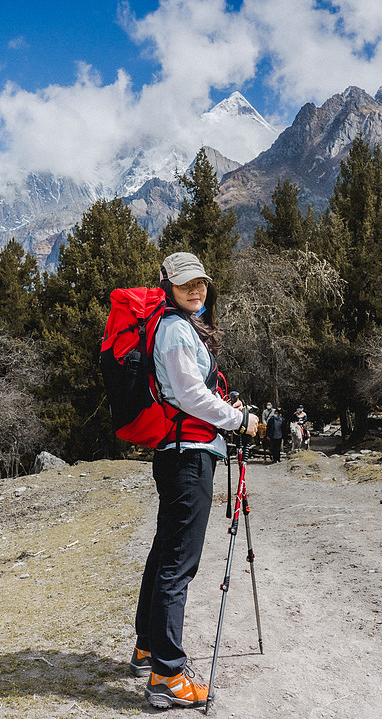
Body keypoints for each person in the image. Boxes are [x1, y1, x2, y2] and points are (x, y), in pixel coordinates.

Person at [130, 252, 259, 709]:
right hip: (188, 457)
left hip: (176, 453)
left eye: (201, 283)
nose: (197, 291)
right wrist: (241, 420)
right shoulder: (175, 329)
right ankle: (167, 674)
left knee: (165, 550)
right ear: (166, 285)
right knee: (178, 564)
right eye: (186, 284)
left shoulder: (174, 325)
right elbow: (191, 396)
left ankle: (147, 648)